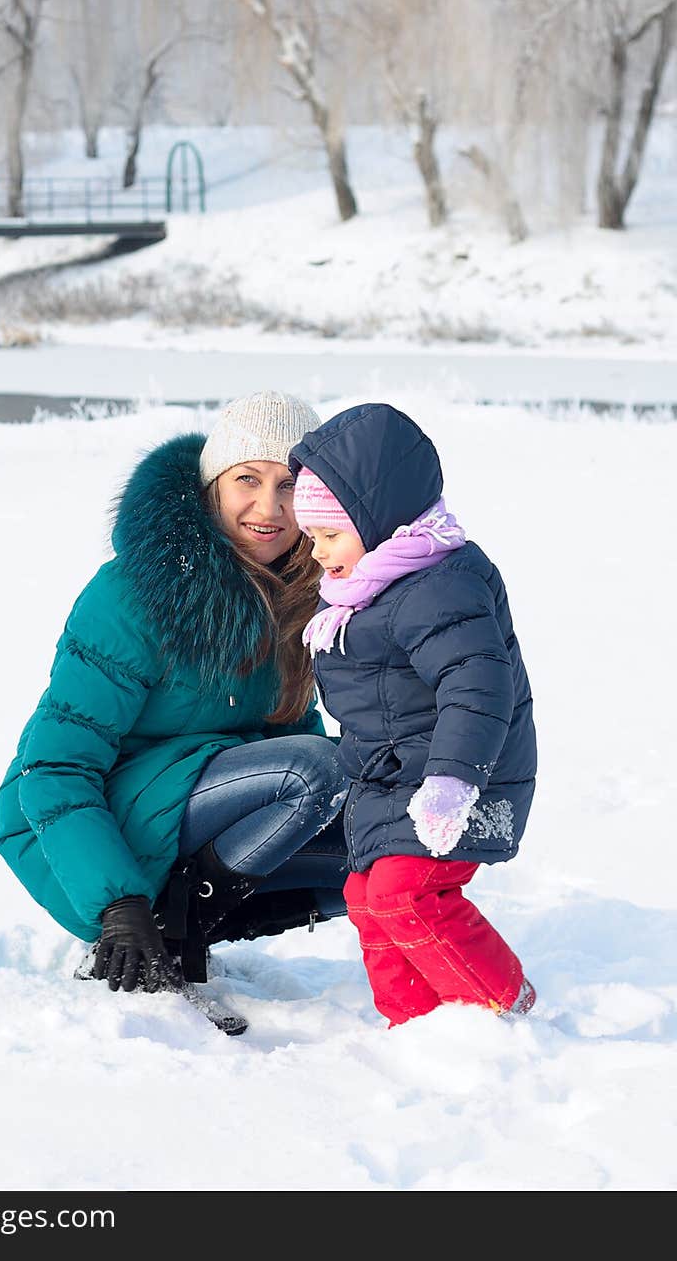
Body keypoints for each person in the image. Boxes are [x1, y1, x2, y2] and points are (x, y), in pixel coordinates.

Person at [0, 390, 349, 1003]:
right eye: (248, 480)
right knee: (317, 771)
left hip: (196, 807)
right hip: (81, 828)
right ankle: (166, 922)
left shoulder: (296, 592)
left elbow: (293, 730)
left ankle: (196, 921)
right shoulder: (135, 593)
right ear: (213, 485)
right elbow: (52, 768)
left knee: (381, 833)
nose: (269, 507)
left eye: (290, 486)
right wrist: (118, 903)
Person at [288, 401, 537, 1026]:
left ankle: (499, 1009)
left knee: (406, 893)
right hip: (395, 779)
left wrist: (453, 782)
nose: (318, 553)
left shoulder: (439, 584)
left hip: (460, 781)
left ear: (377, 521)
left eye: (330, 535)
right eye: (312, 537)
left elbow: (478, 686)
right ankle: (417, 1025)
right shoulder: (367, 590)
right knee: (366, 897)